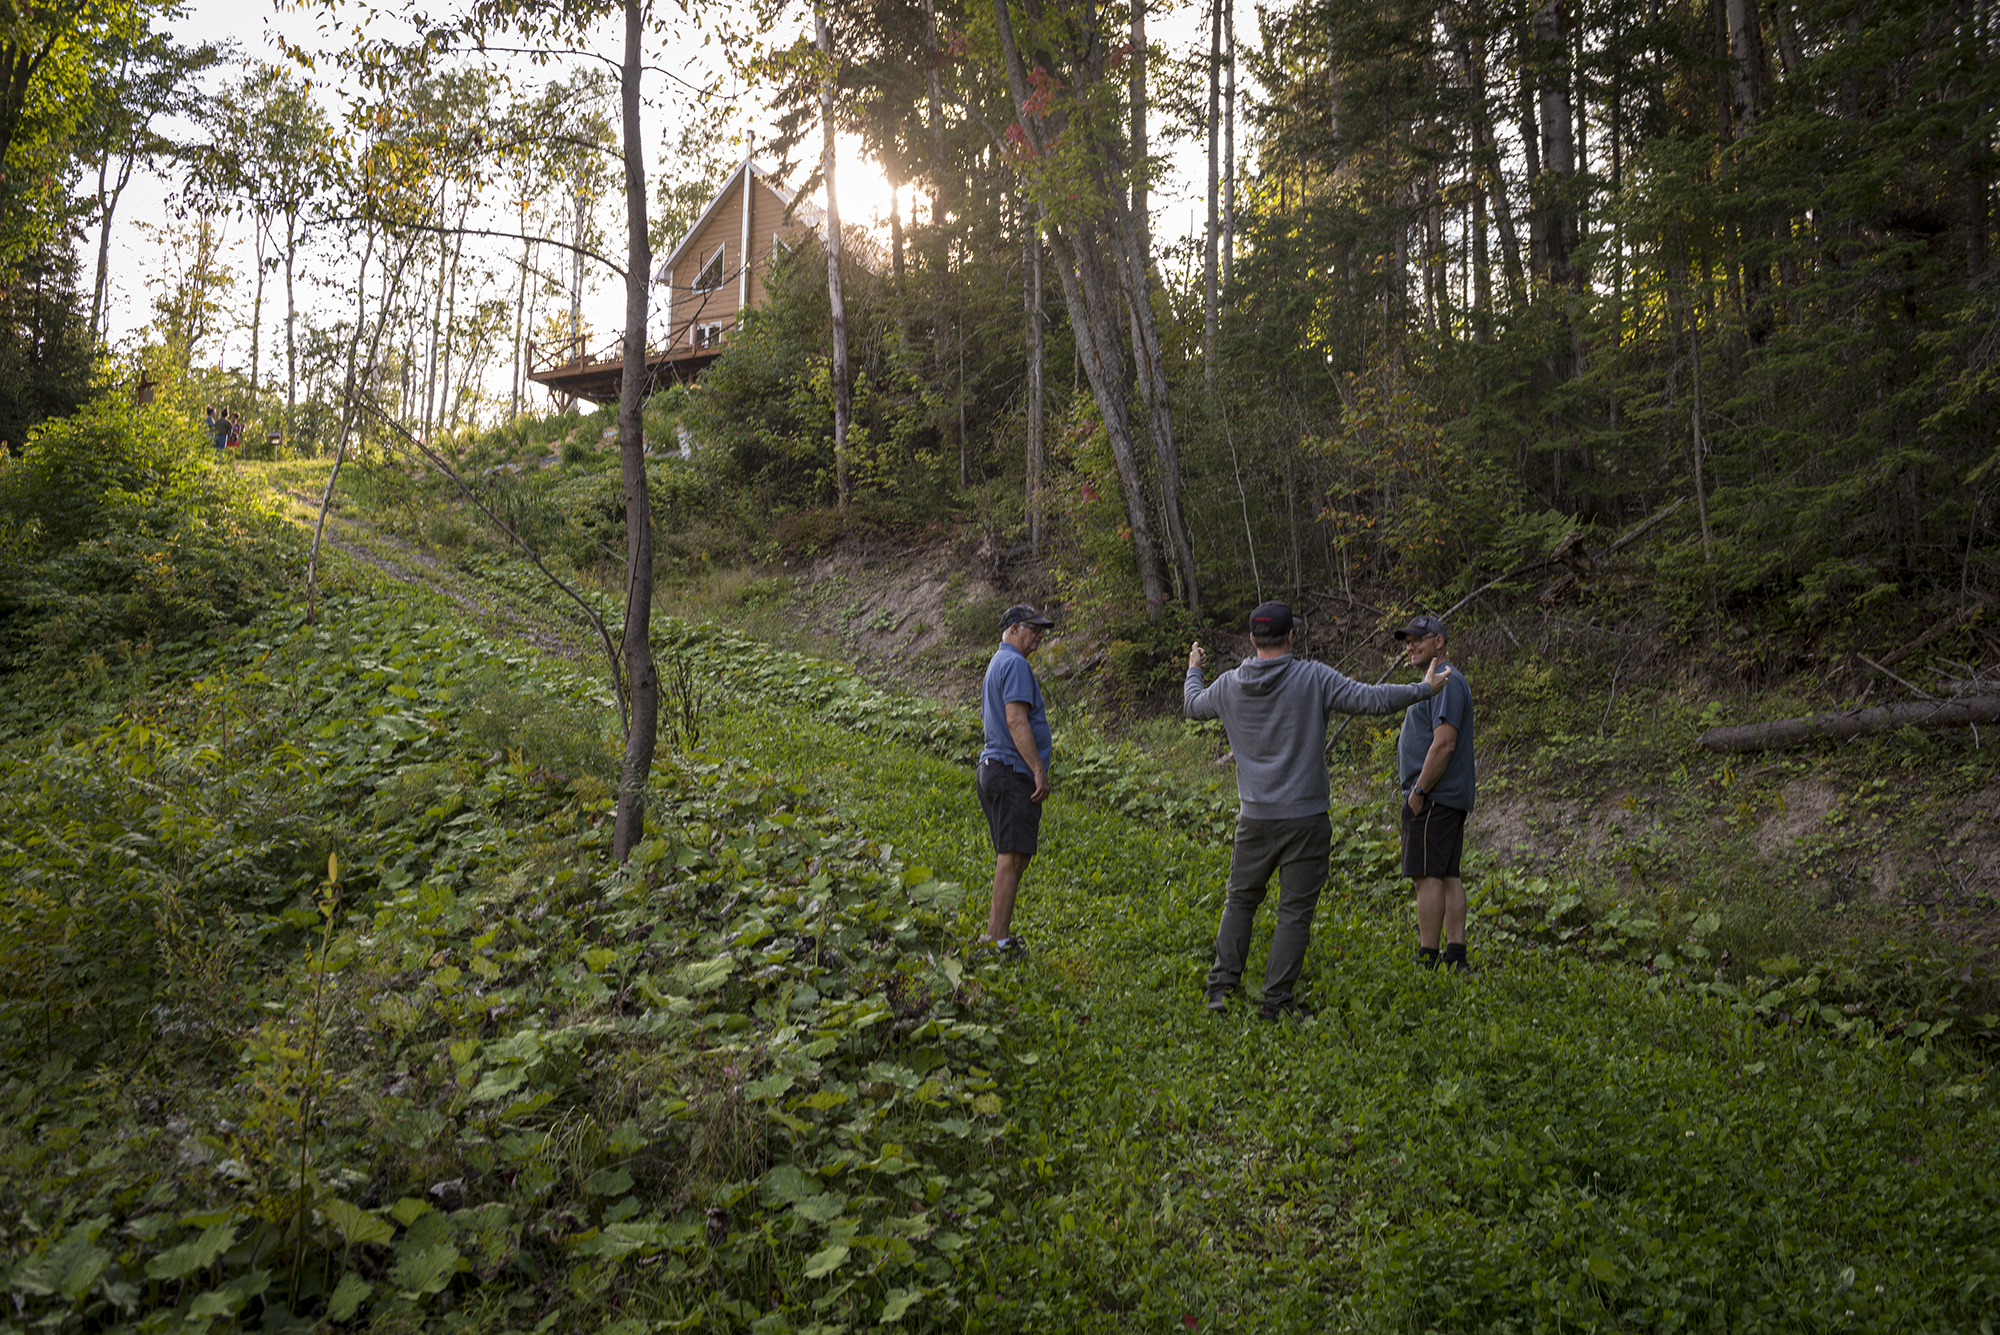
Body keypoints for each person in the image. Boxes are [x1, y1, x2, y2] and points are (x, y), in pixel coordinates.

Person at [1187, 601, 1450, 1021]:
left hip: (1254, 819)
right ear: (1291, 636)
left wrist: (1194, 669)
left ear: (1252, 639)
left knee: (1239, 901)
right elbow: (1372, 700)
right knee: (1294, 912)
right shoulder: (1313, 677)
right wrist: (1424, 689)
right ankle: (1276, 1002)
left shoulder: (1228, 685)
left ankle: (1220, 989)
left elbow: (1192, 705)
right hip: (1306, 820)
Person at [1394, 614, 1477, 973]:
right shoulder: (1436, 682)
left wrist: (1419, 791)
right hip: (1444, 796)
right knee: (1446, 875)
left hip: (1433, 797)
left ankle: (1427, 958)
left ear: (1439, 642)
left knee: (1426, 875)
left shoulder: (1446, 681)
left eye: (1418, 639)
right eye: (1408, 641)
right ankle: (1456, 957)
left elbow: (1444, 744)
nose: (1410, 646)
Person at [976, 604, 1055, 954]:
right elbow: (1016, 720)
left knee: (1015, 856)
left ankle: (995, 936)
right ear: (1014, 629)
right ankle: (997, 942)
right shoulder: (1015, 664)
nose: (1039, 636)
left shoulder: (998, 662)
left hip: (995, 768)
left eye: (1041, 631)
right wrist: (1038, 769)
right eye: (1033, 629)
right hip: (1011, 771)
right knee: (1011, 857)